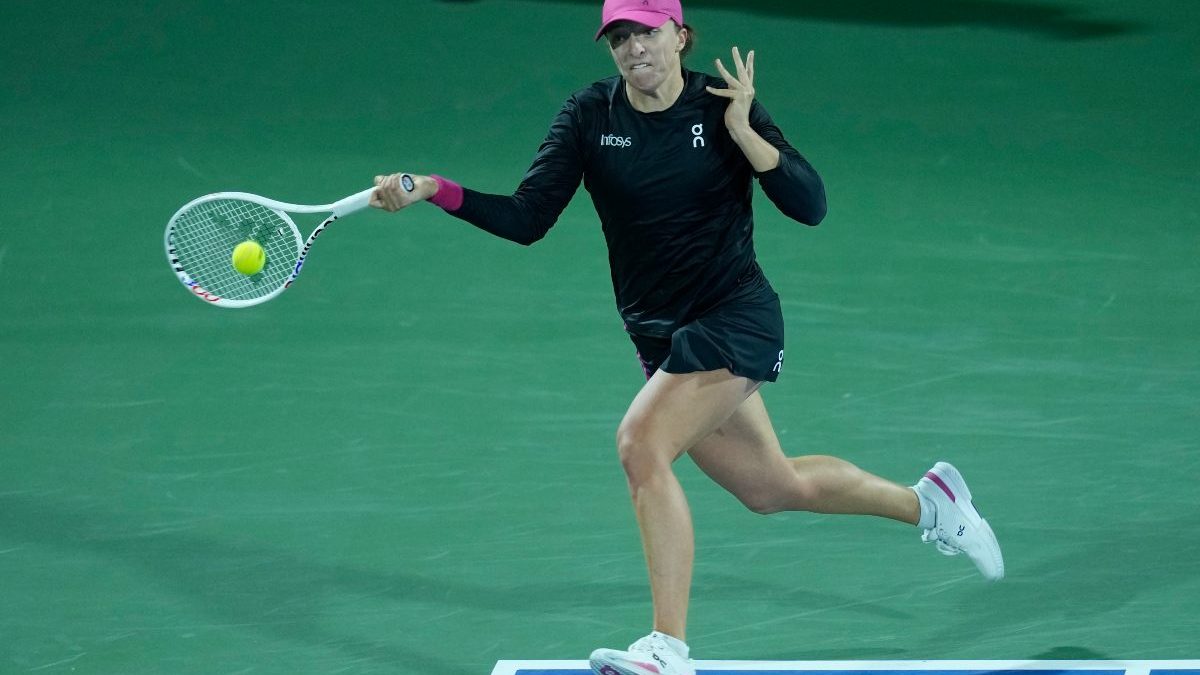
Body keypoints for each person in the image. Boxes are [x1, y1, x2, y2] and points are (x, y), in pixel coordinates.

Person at [370, 0, 1004, 673]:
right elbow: (528, 217)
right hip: (662, 340)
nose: (634, 47)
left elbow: (811, 206)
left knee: (640, 445)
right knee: (771, 487)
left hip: (735, 315)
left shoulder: (723, 104)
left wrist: (744, 131)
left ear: (679, 34)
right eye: (619, 37)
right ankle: (930, 503)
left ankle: (666, 648)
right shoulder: (589, 115)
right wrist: (434, 188)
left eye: (646, 31)